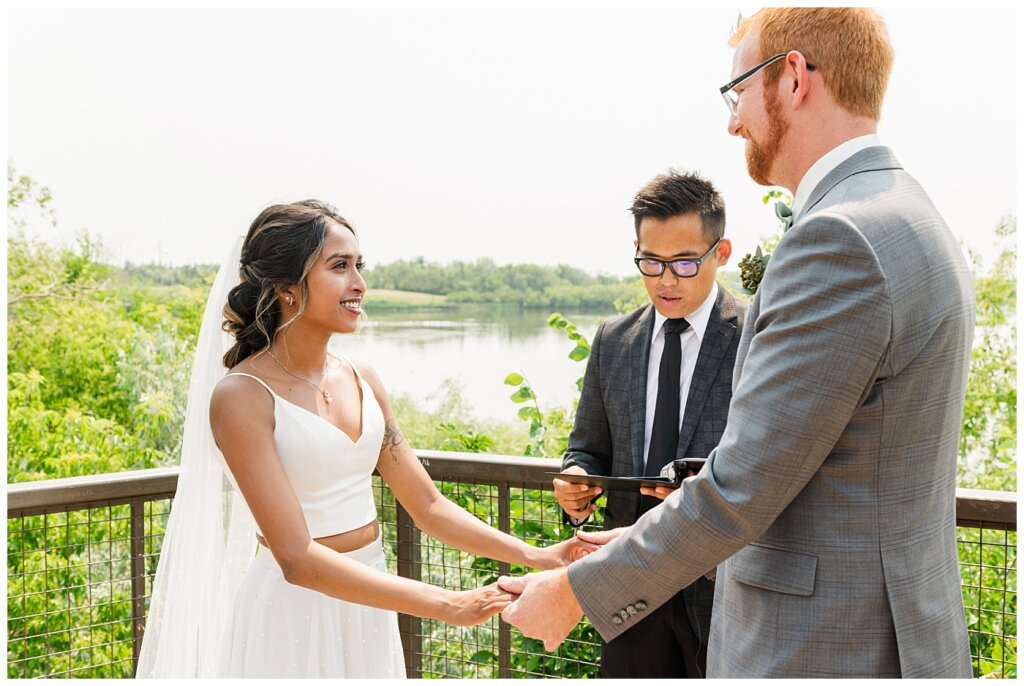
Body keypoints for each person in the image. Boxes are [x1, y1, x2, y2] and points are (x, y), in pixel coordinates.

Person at [500, 7, 975, 678]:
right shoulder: (909, 213)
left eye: (739, 91)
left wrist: (577, 590)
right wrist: (637, 536)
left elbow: (741, 489)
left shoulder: (836, 239)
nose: (732, 120)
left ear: (793, 78)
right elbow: (826, 469)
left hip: (823, 646)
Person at [136, 200, 594, 678]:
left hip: (369, 600)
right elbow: (295, 557)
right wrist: (447, 603)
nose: (359, 283)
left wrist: (537, 554)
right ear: (286, 289)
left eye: (359, 265)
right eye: (340, 267)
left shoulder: (363, 377)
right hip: (293, 611)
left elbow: (429, 506)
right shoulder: (242, 397)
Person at [552, 170, 745, 678]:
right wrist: (575, 480)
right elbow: (587, 448)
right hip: (628, 591)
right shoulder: (614, 341)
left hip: (721, 590)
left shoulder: (754, 338)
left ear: (720, 253)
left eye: (684, 263)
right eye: (650, 261)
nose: (664, 280)